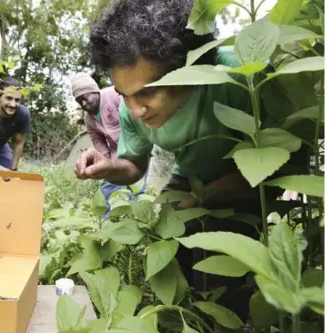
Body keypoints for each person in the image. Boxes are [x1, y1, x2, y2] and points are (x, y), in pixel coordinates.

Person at [74, 0, 286, 320]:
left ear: (186, 69)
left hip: (250, 176)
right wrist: (108, 167)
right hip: (190, 175)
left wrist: (204, 199)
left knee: (224, 261)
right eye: (123, 94)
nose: (134, 110)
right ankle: (188, 312)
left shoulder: (240, 76)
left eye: (148, 92)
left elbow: (288, 164)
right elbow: (134, 165)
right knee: (177, 242)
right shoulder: (130, 107)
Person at [70, 72, 147, 217]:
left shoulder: (114, 95)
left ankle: (139, 221)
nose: (84, 104)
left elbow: (137, 118)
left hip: (137, 150)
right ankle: (106, 223)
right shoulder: (89, 119)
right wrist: (105, 163)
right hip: (115, 156)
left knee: (138, 188)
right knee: (108, 188)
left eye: (85, 98)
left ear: (94, 91)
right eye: (79, 102)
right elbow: (98, 141)